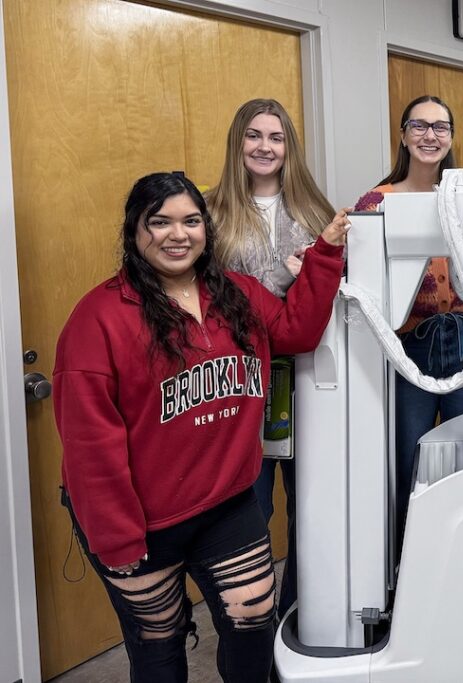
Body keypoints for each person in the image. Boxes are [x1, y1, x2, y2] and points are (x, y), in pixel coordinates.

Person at [53, 173, 348, 682]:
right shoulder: (97, 319)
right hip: (140, 521)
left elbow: (296, 331)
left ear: (206, 230)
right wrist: (119, 541)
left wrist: (324, 256)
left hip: (227, 505)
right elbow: (89, 445)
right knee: (159, 649)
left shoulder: (236, 292)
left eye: (190, 221)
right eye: (159, 222)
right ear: (135, 232)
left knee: (254, 621)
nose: (177, 234)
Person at [354, 94, 463, 545]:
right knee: (408, 459)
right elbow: (362, 289)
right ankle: (410, 559)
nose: (430, 135)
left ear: (451, 137)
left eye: (440, 127)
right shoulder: (376, 203)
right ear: (404, 135)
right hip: (410, 350)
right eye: (419, 126)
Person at [206, 98, 338, 618]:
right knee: (247, 511)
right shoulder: (211, 212)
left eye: (276, 137)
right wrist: (285, 279)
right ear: (238, 142)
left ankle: (300, 616)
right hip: (241, 385)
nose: (265, 147)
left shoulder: (315, 212)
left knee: (312, 507)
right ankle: (249, 623)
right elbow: (215, 298)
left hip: (309, 380)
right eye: (254, 136)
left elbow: (333, 294)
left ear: (290, 147)